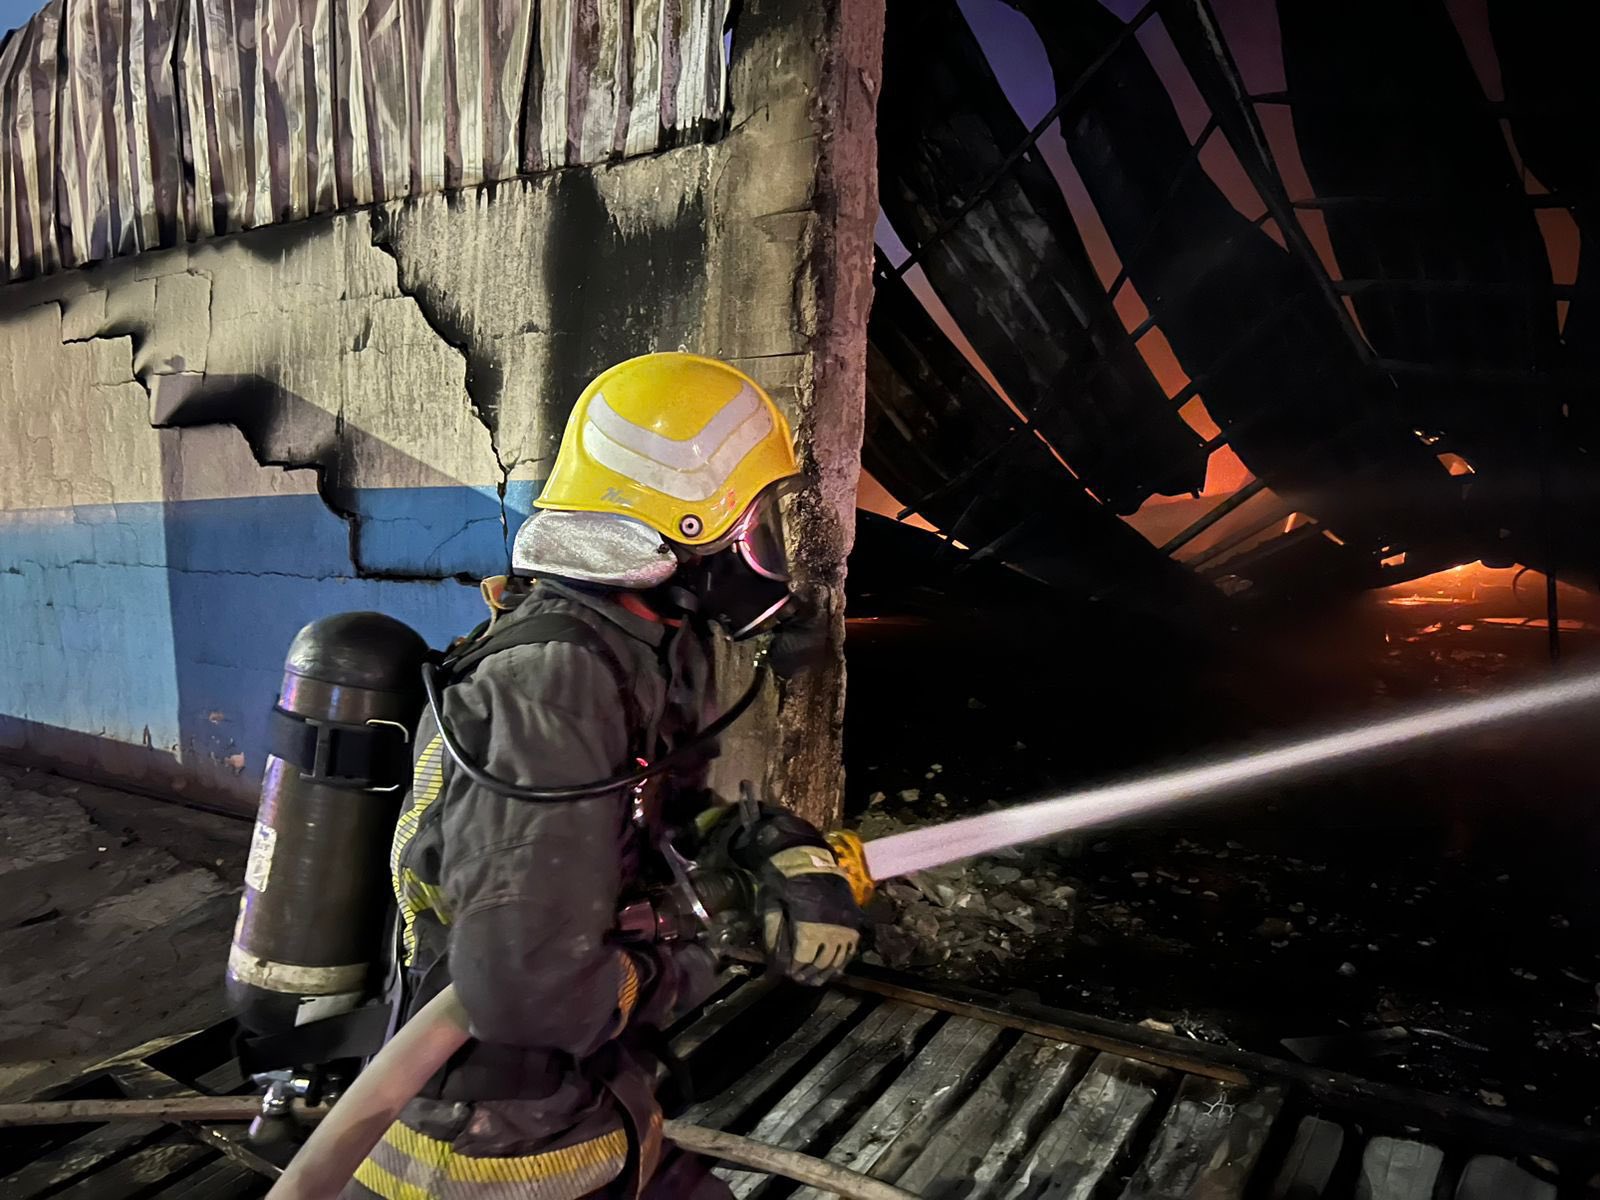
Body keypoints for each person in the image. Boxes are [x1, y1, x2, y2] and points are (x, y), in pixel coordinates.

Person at [347, 353, 863, 1200]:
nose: (768, 552)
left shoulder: (647, 642)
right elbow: (525, 993)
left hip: (591, 1102)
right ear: (690, 523)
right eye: (758, 522)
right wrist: (703, 946)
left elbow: (654, 810)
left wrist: (764, 845)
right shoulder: (554, 684)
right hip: (486, 1151)